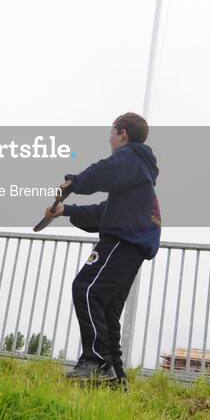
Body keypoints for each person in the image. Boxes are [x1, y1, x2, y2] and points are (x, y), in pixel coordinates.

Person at [42, 112, 161, 386]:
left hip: (122, 241)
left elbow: (103, 171)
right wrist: (65, 210)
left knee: (86, 288)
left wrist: (74, 182)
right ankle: (116, 377)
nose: (109, 139)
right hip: (133, 244)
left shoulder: (130, 156)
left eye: (112, 132)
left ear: (123, 134)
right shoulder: (138, 178)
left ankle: (94, 361)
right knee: (107, 310)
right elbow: (103, 213)